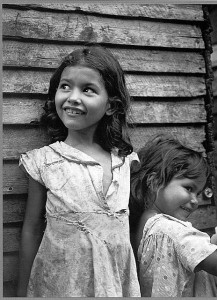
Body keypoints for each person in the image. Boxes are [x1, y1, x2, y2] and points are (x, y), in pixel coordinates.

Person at [16, 44, 141, 297]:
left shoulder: (125, 162)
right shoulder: (44, 162)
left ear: (111, 106)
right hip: (61, 286)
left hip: (115, 287)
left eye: (87, 89)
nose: (73, 97)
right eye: (65, 86)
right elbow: (31, 228)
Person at [130, 134, 217, 297]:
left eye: (199, 193)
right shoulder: (169, 229)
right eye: (189, 188)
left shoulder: (146, 225)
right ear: (155, 181)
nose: (195, 201)